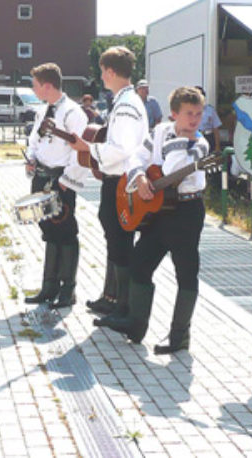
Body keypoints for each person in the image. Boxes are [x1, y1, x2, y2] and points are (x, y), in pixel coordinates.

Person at [97, 86, 209, 355]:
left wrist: (181, 139)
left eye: (198, 114)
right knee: (139, 263)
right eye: (188, 114)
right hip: (159, 212)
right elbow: (138, 155)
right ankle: (136, 324)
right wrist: (140, 177)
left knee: (186, 272)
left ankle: (180, 335)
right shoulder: (159, 132)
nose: (194, 120)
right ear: (173, 114)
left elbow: (171, 169)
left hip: (187, 211)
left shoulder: (200, 144)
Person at [69, 47, 148, 321]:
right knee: (115, 238)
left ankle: (122, 306)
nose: (101, 77)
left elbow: (122, 149)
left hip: (121, 182)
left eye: (103, 72)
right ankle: (112, 297)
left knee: (119, 240)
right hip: (117, 181)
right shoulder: (127, 100)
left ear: (111, 72)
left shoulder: (126, 105)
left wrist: (88, 148)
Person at [24, 63, 89, 309]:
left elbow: (79, 150)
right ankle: (49, 286)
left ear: (47, 85)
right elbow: (34, 139)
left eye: (35, 84)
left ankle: (67, 290)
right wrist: (31, 159)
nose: (33, 88)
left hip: (61, 180)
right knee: (49, 231)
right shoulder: (44, 110)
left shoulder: (73, 113)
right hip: (42, 177)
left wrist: (67, 181)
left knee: (65, 232)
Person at [195, 86, 222, 153]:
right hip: (195, 138)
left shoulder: (210, 110)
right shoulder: (188, 111)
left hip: (208, 137)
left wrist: (217, 147)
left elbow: (216, 129)